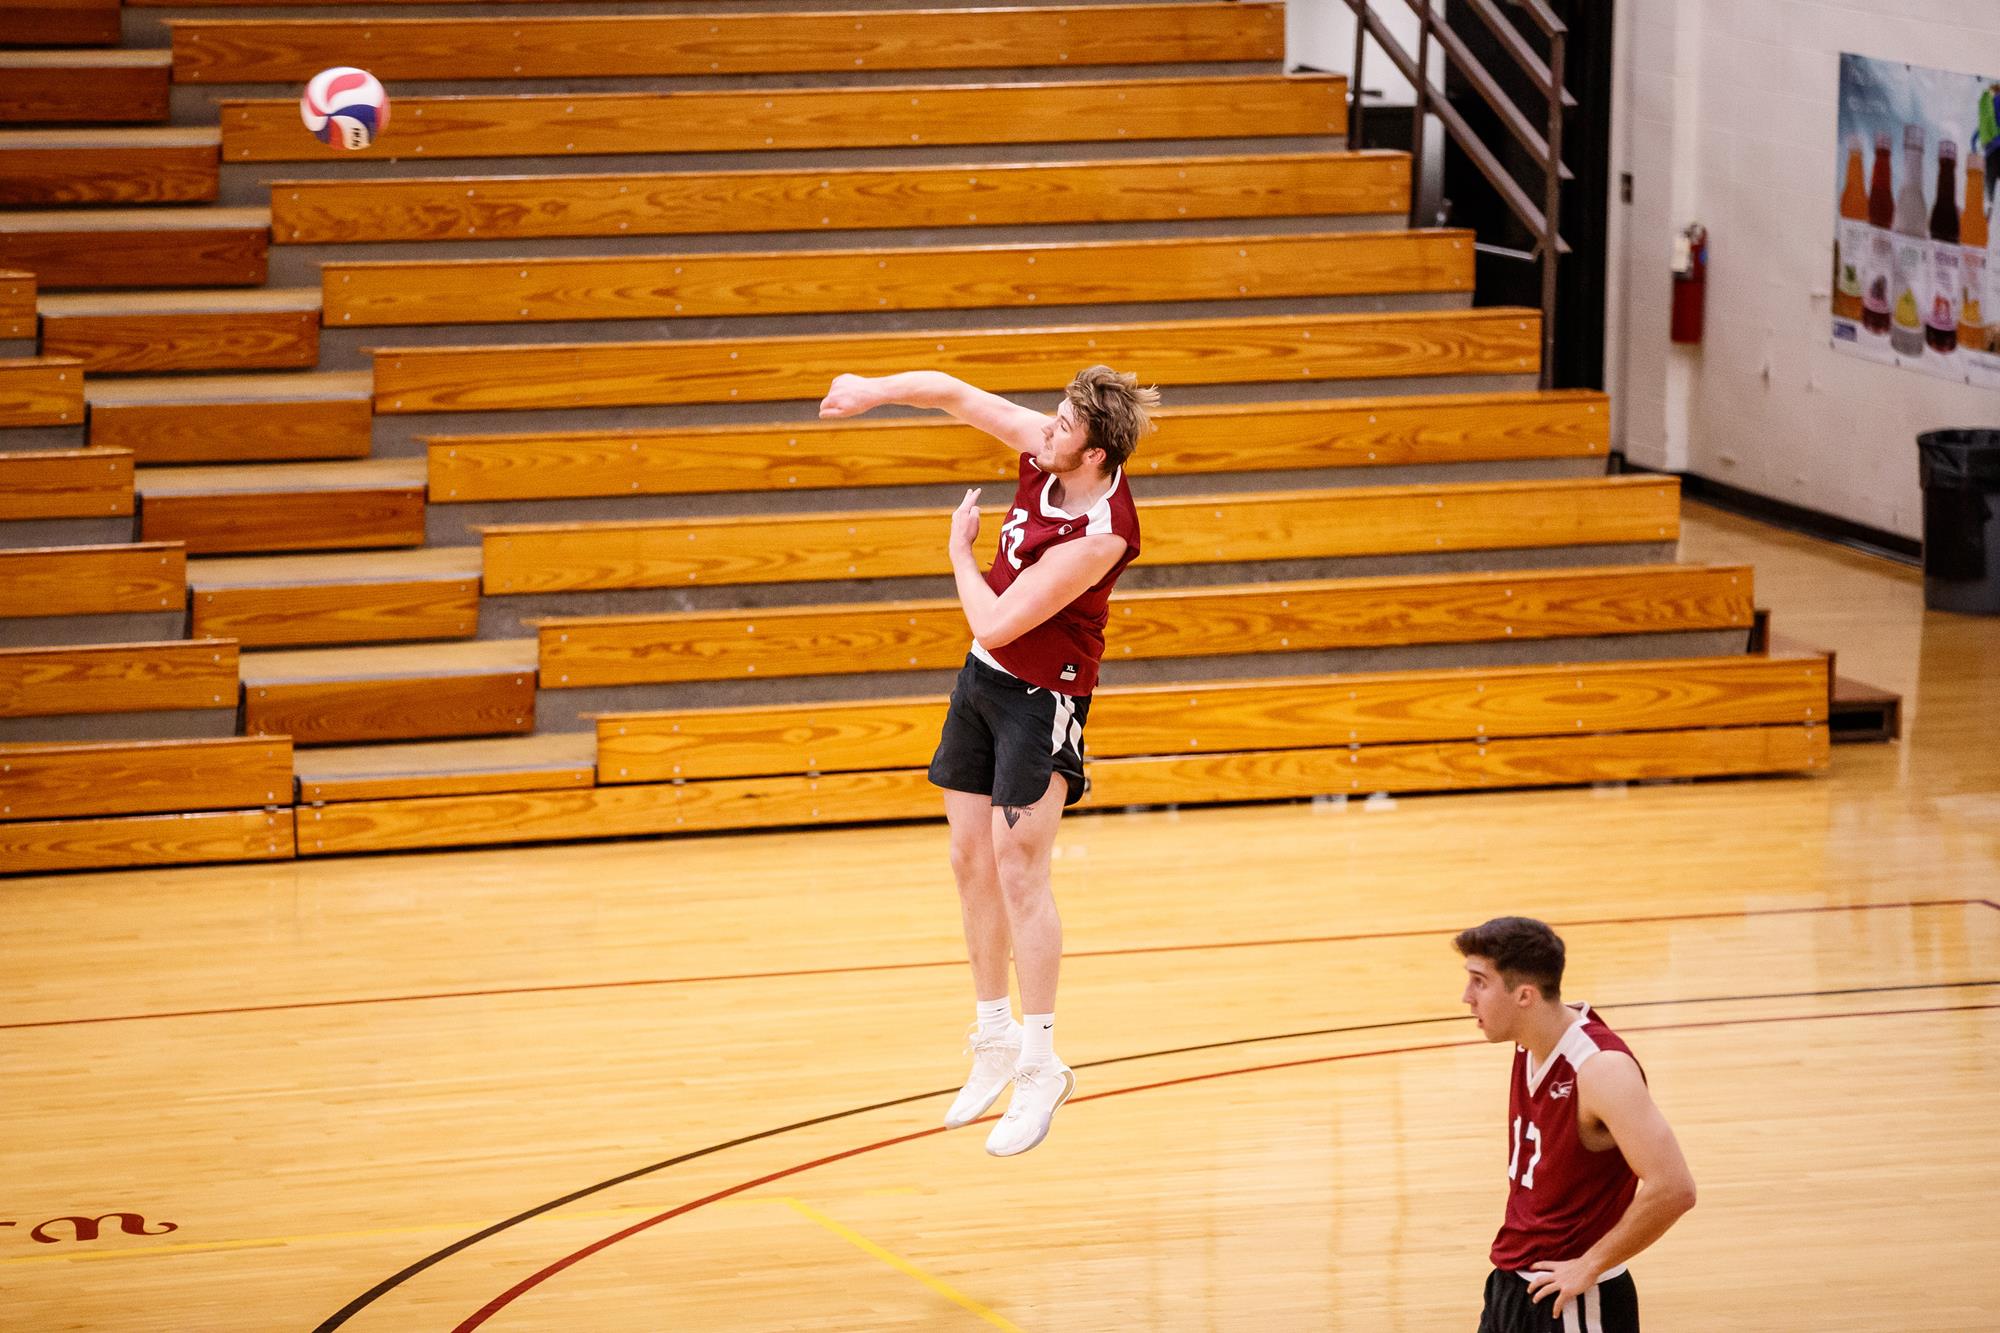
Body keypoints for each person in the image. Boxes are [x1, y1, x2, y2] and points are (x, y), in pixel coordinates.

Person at [818, 365, 1156, 1156]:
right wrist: (870, 388)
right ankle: (993, 1036)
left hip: (1041, 699)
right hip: (981, 682)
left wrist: (958, 554)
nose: (1048, 430)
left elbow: (1000, 620)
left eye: (1067, 425)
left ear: (1099, 454)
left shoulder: (1104, 532)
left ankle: (1041, 1062)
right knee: (969, 857)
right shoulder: (1048, 448)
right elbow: (956, 393)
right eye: (1056, 414)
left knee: (1018, 871)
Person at [1454, 917, 1697, 1331]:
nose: (1466, 997)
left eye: (1480, 982)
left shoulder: (1601, 1070)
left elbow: (1674, 1188)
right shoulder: (1532, 1039)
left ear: (1525, 995)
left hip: (1572, 1299)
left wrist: (1589, 1265)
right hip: (1514, 1282)